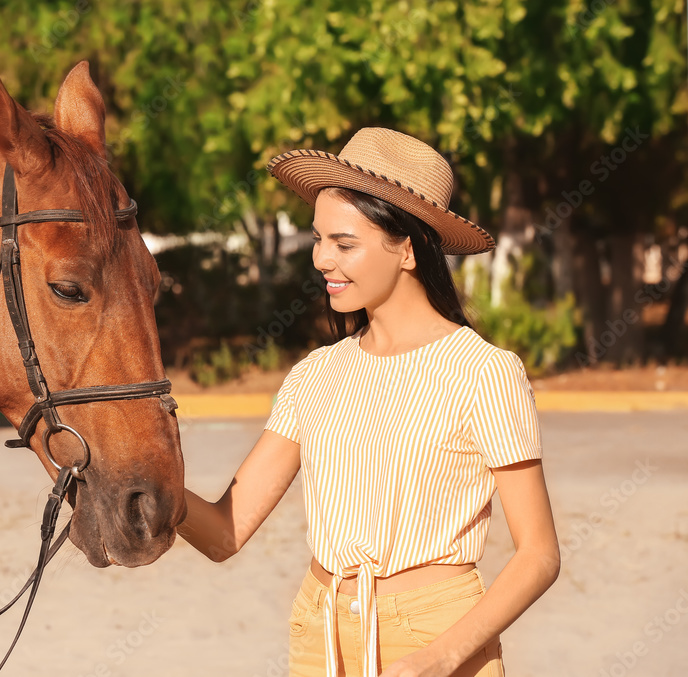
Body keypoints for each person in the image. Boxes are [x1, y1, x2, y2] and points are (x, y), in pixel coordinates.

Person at [176, 127, 561, 677]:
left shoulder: (484, 372)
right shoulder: (317, 375)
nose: (320, 260)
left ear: (407, 248)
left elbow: (539, 554)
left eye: (344, 243)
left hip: (436, 636)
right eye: (319, 239)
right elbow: (223, 533)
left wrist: (442, 656)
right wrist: (115, 471)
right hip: (321, 631)